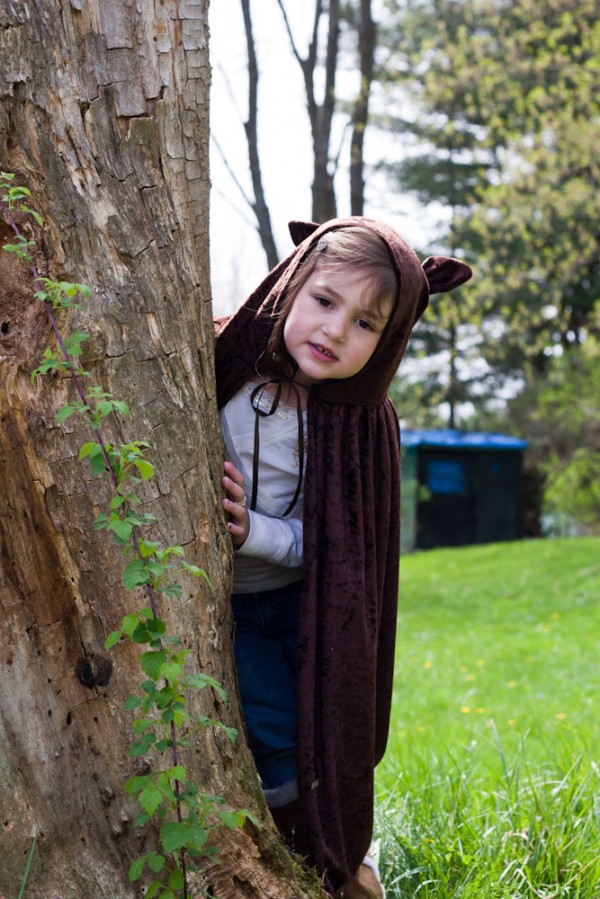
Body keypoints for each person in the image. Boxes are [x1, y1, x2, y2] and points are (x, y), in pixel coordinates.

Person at [215, 217, 471, 898]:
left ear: (388, 344)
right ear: (293, 283)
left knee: (332, 728)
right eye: (325, 300)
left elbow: (337, 546)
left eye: (367, 324)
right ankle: (306, 852)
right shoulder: (222, 367)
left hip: (303, 600)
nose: (334, 331)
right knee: (272, 727)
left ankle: (344, 857)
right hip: (230, 602)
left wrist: (252, 530)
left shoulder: (358, 423)